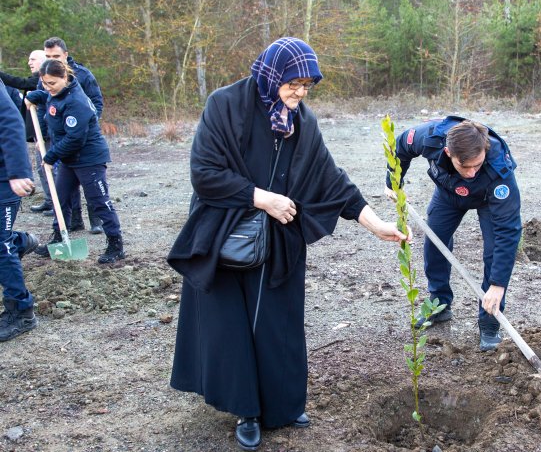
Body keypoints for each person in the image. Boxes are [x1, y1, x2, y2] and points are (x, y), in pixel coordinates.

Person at [167, 37, 408, 451]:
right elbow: (204, 172)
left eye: (307, 86)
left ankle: (281, 405)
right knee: (233, 326)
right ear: (271, 75)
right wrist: (262, 198)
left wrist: (374, 224)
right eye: (292, 83)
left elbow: (332, 180)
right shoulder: (225, 105)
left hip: (279, 238)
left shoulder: (303, 122)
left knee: (279, 325)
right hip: (225, 233)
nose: (299, 93)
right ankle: (247, 411)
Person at [385, 116, 522, 352]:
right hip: (448, 194)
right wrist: (392, 183)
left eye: (477, 165)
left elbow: (507, 232)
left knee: (492, 253)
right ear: (448, 152)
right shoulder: (430, 137)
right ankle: (439, 304)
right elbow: (400, 146)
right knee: (435, 243)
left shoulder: (500, 170)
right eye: (464, 166)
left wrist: (498, 284)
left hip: (488, 199)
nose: (471, 172)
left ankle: (489, 322)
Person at [24, 59, 125, 264]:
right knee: (59, 198)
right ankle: (58, 239)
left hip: (89, 158)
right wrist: (38, 95)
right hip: (70, 159)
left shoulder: (76, 101)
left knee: (99, 201)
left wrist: (50, 156)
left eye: (52, 83)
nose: (48, 87)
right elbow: (53, 101)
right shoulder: (57, 94)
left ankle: (116, 244)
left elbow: (75, 138)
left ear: (64, 77)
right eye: (44, 83)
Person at [43, 37, 104, 234]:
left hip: (82, 138)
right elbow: (47, 103)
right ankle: (73, 221)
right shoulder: (46, 74)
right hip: (61, 140)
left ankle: (96, 220)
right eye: (49, 56)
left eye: (56, 56)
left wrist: (88, 126)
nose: (53, 59)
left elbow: (96, 102)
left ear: (65, 55)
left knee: (91, 184)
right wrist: (43, 137)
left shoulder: (83, 75)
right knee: (66, 186)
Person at [0, 81, 40, 342]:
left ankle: (21, 310)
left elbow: (11, 122)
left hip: (4, 178)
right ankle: (20, 241)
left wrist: (17, 173)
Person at [0, 49, 54, 215]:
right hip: (42, 133)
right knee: (42, 168)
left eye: (33, 59)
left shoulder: (51, 77)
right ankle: (49, 200)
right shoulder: (37, 81)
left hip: (56, 133)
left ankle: (66, 209)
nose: (29, 62)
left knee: (57, 171)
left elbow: (22, 84)